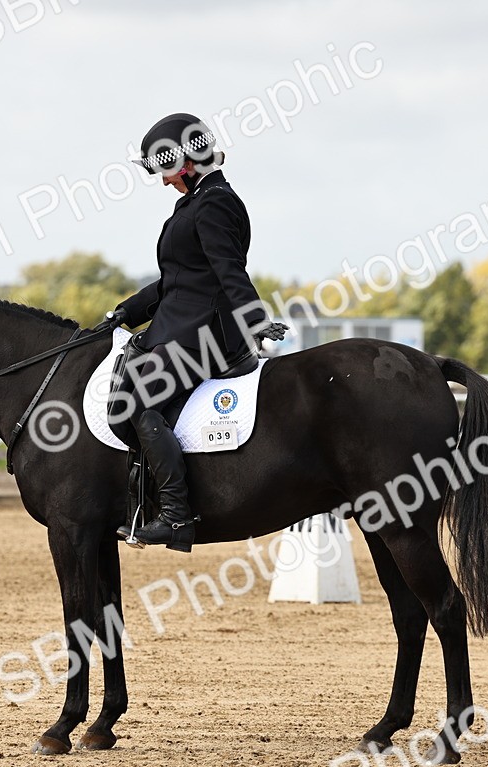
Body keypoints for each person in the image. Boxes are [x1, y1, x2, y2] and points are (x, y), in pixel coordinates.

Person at [102, 113, 287, 552]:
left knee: (137, 404)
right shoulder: (197, 200)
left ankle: (175, 515)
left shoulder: (214, 203)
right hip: (180, 325)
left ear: (184, 161)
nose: (164, 182)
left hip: (206, 335)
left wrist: (255, 319)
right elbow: (177, 279)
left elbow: (228, 272)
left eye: (165, 171)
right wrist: (127, 310)